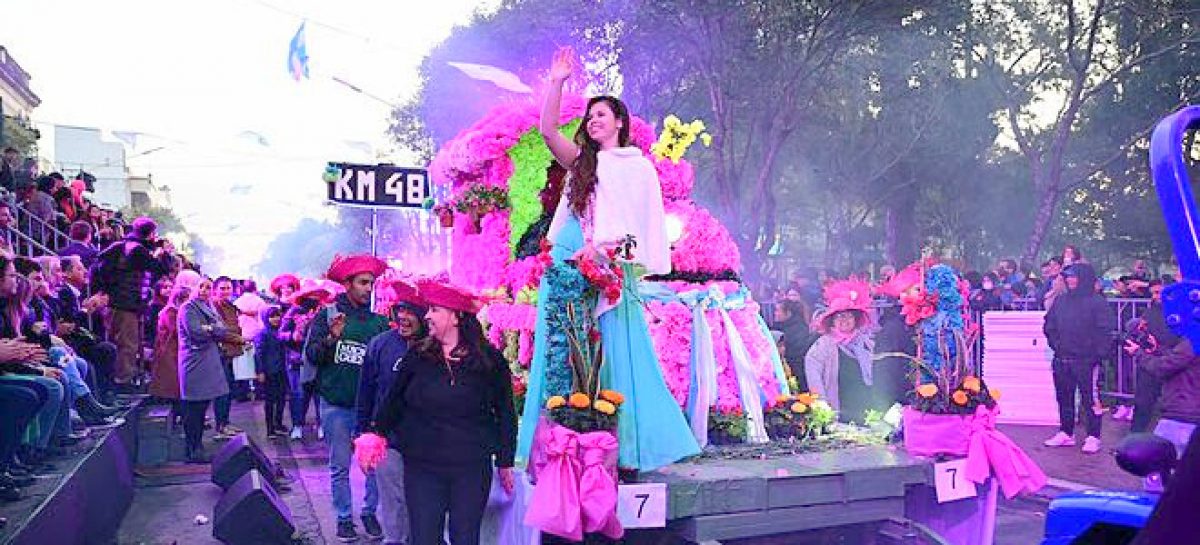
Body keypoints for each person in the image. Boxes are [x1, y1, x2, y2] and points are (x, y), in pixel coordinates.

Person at [517, 47, 700, 471]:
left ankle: (615, 447)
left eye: (603, 114)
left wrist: (603, 251)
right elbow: (546, 131)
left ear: (620, 122)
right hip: (566, 259)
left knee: (613, 351)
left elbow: (641, 232)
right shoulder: (582, 163)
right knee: (560, 351)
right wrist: (558, 82)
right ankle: (558, 445)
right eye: (590, 116)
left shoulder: (638, 168)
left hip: (606, 268)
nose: (594, 120)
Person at [374, 279, 516, 545]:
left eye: (435, 310)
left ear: (456, 317)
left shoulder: (489, 360)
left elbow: (505, 411)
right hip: (423, 466)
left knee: (465, 538)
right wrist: (375, 435)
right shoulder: (417, 355)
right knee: (425, 538)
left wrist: (505, 459)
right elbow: (393, 401)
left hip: (471, 467)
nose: (426, 315)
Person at [304, 254, 391, 541]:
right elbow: (313, 356)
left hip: (369, 410)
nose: (369, 288)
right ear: (347, 284)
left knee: (374, 466)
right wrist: (331, 337)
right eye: (363, 283)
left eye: (371, 283)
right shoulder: (327, 316)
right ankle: (343, 518)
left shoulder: (380, 323)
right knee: (339, 466)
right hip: (336, 405)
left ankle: (369, 513)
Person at [357, 278, 427, 545]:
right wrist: (362, 433)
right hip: (389, 439)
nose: (404, 317)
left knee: (419, 500)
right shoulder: (380, 344)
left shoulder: (433, 347)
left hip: (425, 441)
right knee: (392, 498)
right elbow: (365, 391)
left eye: (411, 312)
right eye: (401, 311)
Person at [93, 217, 174, 392]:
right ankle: (123, 382)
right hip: (125, 304)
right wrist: (165, 253)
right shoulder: (137, 250)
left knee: (128, 343)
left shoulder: (124, 247)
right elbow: (161, 269)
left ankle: (124, 379)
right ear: (150, 233)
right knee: (127, 345)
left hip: (123, 303)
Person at [1043, 263, 1112, 454]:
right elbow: (1049, 326)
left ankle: (1093, 436)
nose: (1070, 280)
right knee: (1064, 398)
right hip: (1062, 358)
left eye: (1074, 276)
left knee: (1091, 399)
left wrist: (1097, 354)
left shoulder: (1097, 302)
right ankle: (1066, 432)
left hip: (1087, 361)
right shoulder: (1061, 301)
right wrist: (1057, 346)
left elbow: (1105, 331)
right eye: (1068, 277)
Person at [177, 272, 237, 463]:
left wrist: (210, 328)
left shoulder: (208, 306)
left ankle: (197, 448)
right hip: (194, 364)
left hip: (207, 362)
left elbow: (222, 329)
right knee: (193, 410)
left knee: (202, 408)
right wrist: (212, 329)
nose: (204, 291)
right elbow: (196, 332)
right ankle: (192, 449)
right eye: (201, 286)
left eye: (208, 287)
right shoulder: (188, 308)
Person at [804, 278, 881, 424]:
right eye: (839, 316)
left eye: (848, 315)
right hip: (839, 409)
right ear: (832, 320)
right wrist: (822, 405)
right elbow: (813, 374)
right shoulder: (823, 345)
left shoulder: (865, 342)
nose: (844, 320)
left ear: (855, 319)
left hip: (864, 408)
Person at [282, 279, 329, 440]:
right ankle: (297, 425)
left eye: (317, 296)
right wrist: (293, 335)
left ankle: (322, 425)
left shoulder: (324, 311)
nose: (314, 299)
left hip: (318, 359)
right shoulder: (294, 312)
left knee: (319, 395)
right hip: (297, 361)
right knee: (299, 395)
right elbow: (281, 334)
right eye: (311, 295)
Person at [149, 274, 191, 429]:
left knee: (176, 390)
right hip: (169, 355)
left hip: (174, 353)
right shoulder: (170, 312)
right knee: (172, 389)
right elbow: (176, 332)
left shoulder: (174, 311)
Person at [254, 306, 289, 438]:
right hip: (269, 372)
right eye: (272, 316)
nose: (275, 319)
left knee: (281, 399)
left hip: (281, 371)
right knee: (270, 401)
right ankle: (270, 429)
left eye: (277, 316)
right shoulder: (262, 334)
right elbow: (258, 354)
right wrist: (260, 371)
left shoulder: (280, 332)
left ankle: (278, 424)